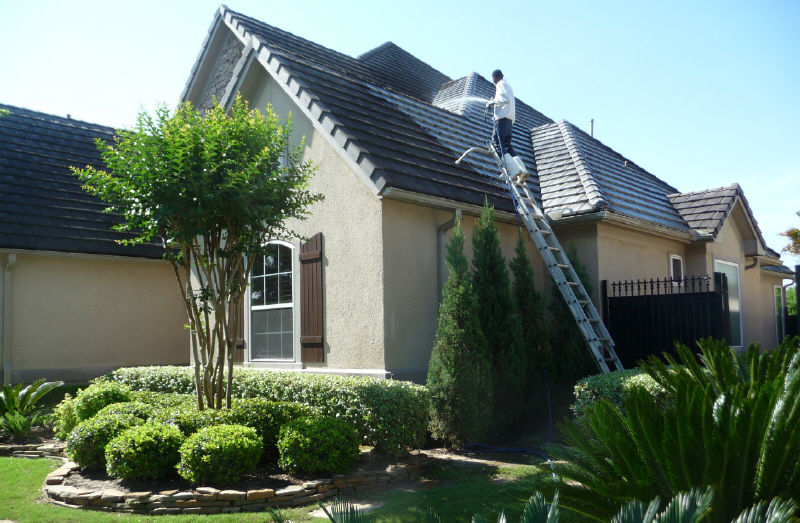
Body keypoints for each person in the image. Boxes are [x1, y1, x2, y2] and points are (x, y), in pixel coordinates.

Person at [487, 69, 529, 184]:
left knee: (496, 143)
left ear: (495, 77)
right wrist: (495, 101)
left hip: (502, 119)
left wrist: (492, 102)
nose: (493, 81)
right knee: (508, 146)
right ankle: (523, 170)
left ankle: (514, 170)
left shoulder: (501, 84)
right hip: (509, 121)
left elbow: (504, 99)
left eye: (493, 79)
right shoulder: (508, 85)